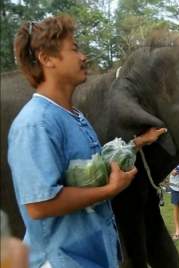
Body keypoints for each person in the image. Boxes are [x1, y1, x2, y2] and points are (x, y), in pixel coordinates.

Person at [8, 15, 166, 268]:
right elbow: (39, 204)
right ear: (46, 59)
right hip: (59, 260)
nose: (83, 57)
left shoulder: (73, 115)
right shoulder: (35, 123)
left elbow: (93, 166)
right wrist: (110, 191)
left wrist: (135, 145)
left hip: (90, 258)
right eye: (74, 49)